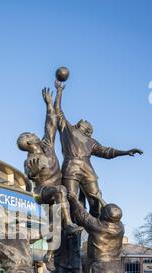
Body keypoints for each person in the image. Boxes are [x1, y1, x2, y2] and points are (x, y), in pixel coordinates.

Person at [55, 80, 143, 217]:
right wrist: (59, 92)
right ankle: (71, 228)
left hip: (87, 171)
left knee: (96, 202)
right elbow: (58, 112)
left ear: (88, 130)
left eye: (86, 123)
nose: (83, 121)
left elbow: (107, 152)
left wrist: (125, 152)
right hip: (71, 168)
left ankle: (96, 228)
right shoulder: (68, 129)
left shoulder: (91, 141)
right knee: (70, 198)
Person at [18, 87, 81, 235]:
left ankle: (53, 249)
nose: (33, 133)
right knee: (60, 190)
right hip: (41, 192)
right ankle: (69, 225)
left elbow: (50, 124)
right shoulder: (29, 161)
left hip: (56, 190)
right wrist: (32, 173)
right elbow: (29, 174)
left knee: (55, 221)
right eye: (30, 135)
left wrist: (49, 104)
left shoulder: (47, 145)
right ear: (28, 143)